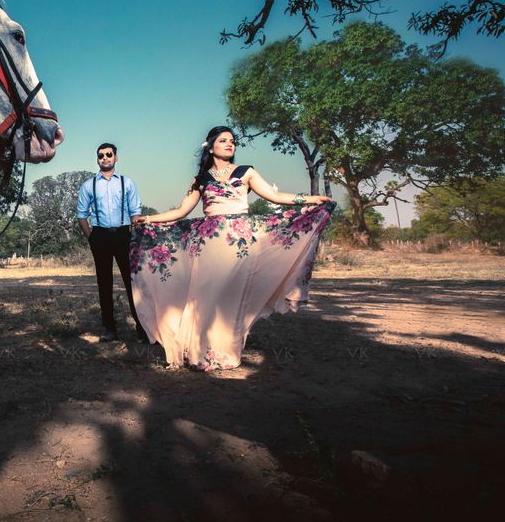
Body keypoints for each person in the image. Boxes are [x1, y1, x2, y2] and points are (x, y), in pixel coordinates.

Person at [131, 126, 334, 370]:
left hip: (239, 244)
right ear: (211, 145)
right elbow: (181, 211)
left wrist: (311, 200)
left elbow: (274, 196)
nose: (230, 144)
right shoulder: (201, 179)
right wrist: (149, 219)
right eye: (224, 140)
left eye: (233, 141)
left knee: (230, 297)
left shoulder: (246, 172)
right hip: (209, 245)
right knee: (205, 296)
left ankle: (224, 352)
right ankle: (199, 353)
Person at [76, 143, 147, 342]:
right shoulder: (89, 185)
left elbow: (136, 213)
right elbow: (82, 215)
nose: (105, 158)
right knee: (104, 283)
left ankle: (142, 329)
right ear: (97, 159)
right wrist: (91, 237)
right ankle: (109, 329)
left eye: (109, 154)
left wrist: (133, 235)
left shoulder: (127, 182)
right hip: (100, 236)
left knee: (132, 283)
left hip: (124, 235)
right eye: (101, 155)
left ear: (116, 158)